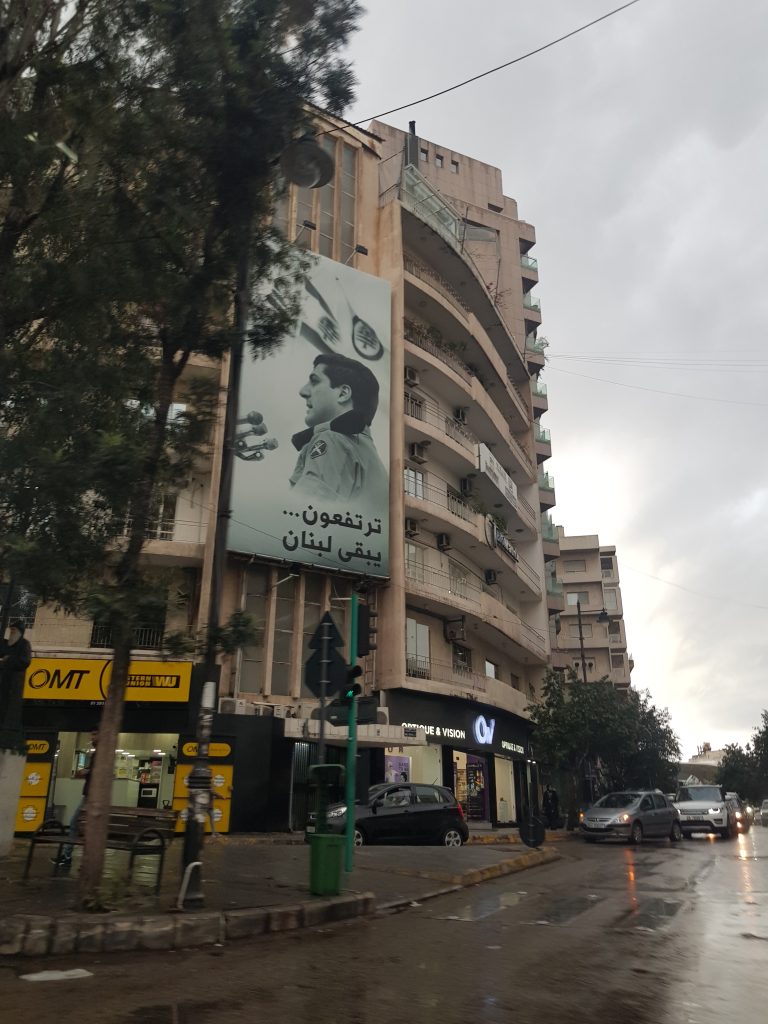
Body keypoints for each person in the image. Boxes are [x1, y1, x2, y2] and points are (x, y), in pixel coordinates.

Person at [289, 353, 388, 504]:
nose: (303, 391)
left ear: (343, 393)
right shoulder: (374, 463)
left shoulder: (332, 439)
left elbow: (303, 509)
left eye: (314, 381)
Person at [54, 730, 98, 869]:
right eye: (92, 734)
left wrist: (86, 772)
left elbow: (96, 773)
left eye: (95, 734)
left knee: (74, 823)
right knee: (81, 826)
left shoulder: (100, 754)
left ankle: (68, 857)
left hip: (90, 796)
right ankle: (70, 856)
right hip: (89, 795)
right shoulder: (96, 754)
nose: (92, 737)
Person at [0, 619, 32, 749]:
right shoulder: (7, 644)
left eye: (14, 630)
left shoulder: (24, 644)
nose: (11, 633)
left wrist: (9, 660)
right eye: (11, 630)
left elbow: (25, 661)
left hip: (15, 685)